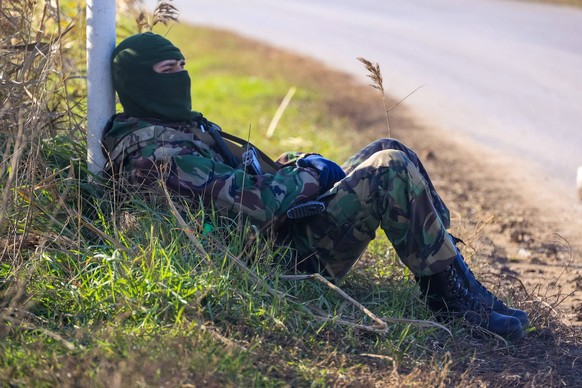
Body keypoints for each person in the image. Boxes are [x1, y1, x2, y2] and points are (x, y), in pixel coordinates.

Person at [102, 32, 529, 340]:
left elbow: (236, 190)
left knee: (389, 146)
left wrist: (289, 168)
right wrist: (308, 174)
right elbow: (260, 206)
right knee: (389, 169)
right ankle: (450, 303)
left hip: (274, 238)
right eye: (167, 69)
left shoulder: (173, 128)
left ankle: (455, 277)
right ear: (140, 82)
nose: (180, 76)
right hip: (276, 264)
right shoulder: (156, 153)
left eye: (182, 65)